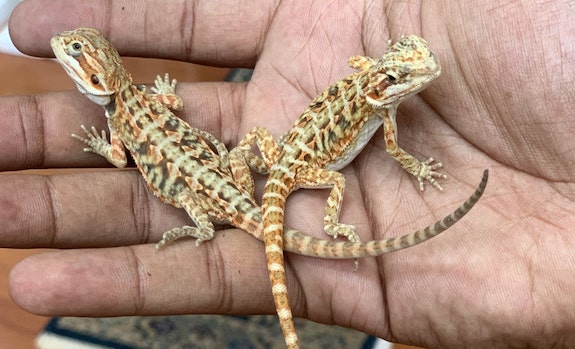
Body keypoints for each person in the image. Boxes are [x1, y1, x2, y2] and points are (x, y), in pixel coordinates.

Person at [3, 1, 574, 347]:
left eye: (76, 51)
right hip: (248, 173)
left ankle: (210, 224)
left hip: (244, 175)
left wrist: (114, 141)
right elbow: (135, 151)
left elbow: (124, 155)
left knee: (314, 189)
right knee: (311, 190)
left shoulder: (381, 104)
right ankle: (210, 225)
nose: (67, 53)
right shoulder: (143, 109)